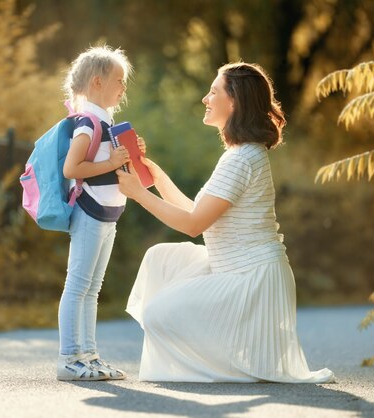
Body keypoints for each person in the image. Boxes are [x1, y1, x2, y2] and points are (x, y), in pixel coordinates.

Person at [116, 62, 335, 383]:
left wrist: (138, 193)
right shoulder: (242, 154)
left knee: (156, 314)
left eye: (214, 92)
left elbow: (193, 225)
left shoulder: (242, 158)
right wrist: (157, 177)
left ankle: (235, 366)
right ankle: (232, 360)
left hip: (252, 279)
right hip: (235, 270)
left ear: (235, 102)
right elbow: (200, 214)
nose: (206, 98)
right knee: (161, 258)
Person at [57, 45, 145, 381]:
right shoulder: (88, 123)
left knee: (92, 289)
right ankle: (69, 358)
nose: (123, 87)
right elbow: (71, 167)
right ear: (97, 82)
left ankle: (89, 356)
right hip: (91, 212)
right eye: (119, 81)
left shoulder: (106, 122)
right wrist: (111, 161)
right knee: (77, 285)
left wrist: (130, 154)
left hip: (109, 214)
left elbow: (114, 166)